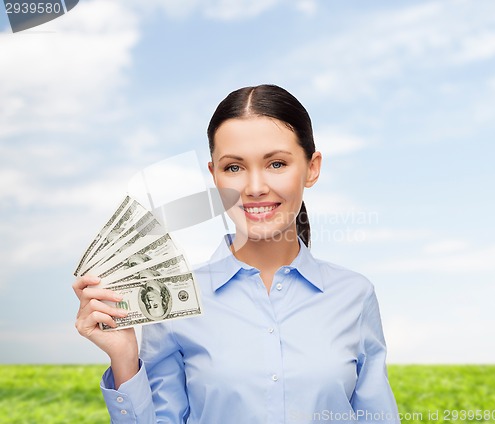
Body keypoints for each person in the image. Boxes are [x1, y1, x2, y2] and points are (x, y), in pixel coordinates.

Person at [73, 84, 400, 423]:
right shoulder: (175, 304)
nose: (255, 187)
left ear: (312, 168)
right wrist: (125, 359)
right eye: (234, 168)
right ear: (214, 175)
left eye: (276, 164)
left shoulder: (354, 295)